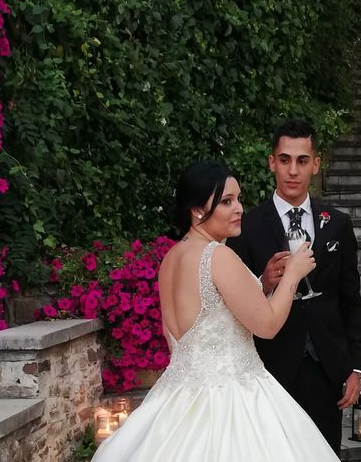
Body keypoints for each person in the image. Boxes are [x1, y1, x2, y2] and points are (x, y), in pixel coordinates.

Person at [91, 161, 340, 462]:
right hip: (235, 399)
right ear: (197, 210)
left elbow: (205, 315)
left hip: (177, 400)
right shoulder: (219, 256)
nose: (239, 209)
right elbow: (268, 325)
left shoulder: (172, 258)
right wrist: (293, 275)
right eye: (226, 201)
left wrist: (261, 285)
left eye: (238, 199)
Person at [226, 119, 361, 453]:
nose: (293, 170)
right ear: (271, 161)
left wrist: (356, 368)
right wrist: (263, 283)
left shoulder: (338, 225)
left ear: (316, 164)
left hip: (326, 367)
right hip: (268, 368)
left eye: (302, 161)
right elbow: (231, 303)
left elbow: (351, 300)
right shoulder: (245, 226)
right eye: (285, 159)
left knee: (323, 454)